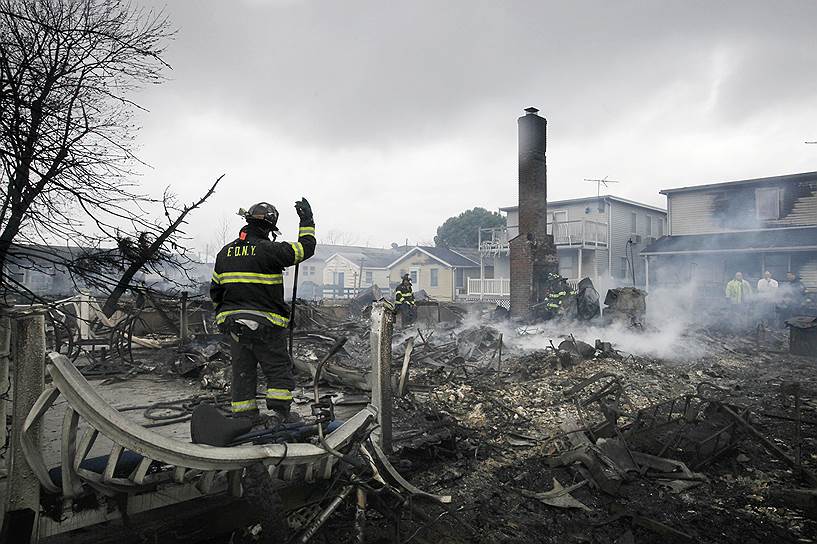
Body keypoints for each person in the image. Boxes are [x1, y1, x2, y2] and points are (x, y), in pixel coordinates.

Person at [209, 199, 315, 424]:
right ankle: (280, 415)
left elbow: (215, 291)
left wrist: (224, 317)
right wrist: (307, 220)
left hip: (234, 325)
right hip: (266, 325)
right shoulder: (270, 250)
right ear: (269, 228)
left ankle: (244, 418)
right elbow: (306, 248)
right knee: (277, 369)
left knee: (242, 372)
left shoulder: (224, 253)